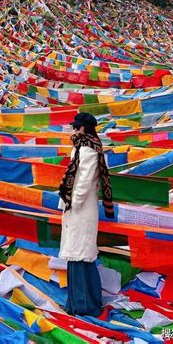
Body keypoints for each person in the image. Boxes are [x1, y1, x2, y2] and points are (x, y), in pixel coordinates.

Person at [58, 112, 114, 316]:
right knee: (78, 254)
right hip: (77, 208)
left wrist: (73, 202)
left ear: (84, 128)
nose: (74, 129)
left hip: (80, 209)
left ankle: (83, 306)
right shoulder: (84, 147)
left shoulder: (88, 150)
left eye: (77, 126)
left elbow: (84, 182)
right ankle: (78, 303)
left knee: (80, 255)